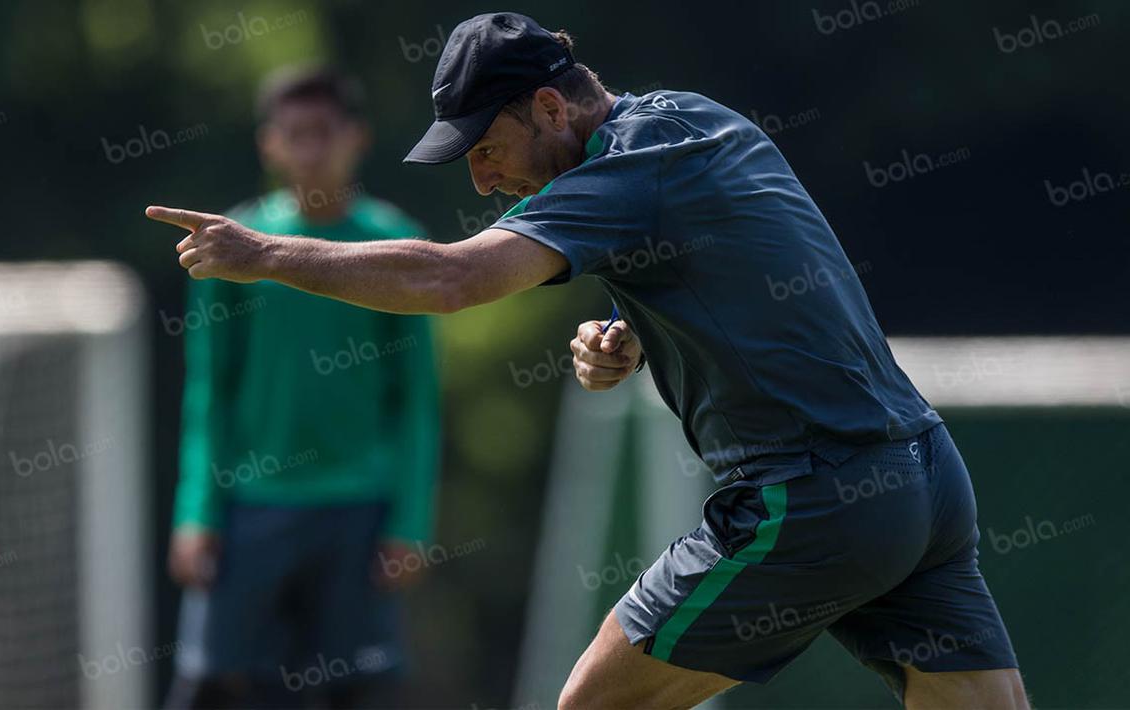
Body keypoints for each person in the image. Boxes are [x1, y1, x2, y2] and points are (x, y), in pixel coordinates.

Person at [148, 13, 1028, 710]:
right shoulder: (692, 118)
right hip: (922, 477)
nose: (482, 181)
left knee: (594, 705)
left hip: (813, 495)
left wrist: (266, 254)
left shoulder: (617, 179)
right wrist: (631, 329)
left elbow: (451, 279)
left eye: (485, 150)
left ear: (548, 107)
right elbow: (738, 257)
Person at [162, 66, 440, 710]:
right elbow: (209, 392)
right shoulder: (225, 249)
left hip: (358, 510)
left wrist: (409, 520)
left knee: (362, 691)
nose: (310, 149)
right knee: (221, 687)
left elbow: (416, 401)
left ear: (356, 138)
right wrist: (195, 512)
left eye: (324, 133)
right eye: (295, 134)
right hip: (250, 509)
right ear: (270, 144)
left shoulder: (393, 247)